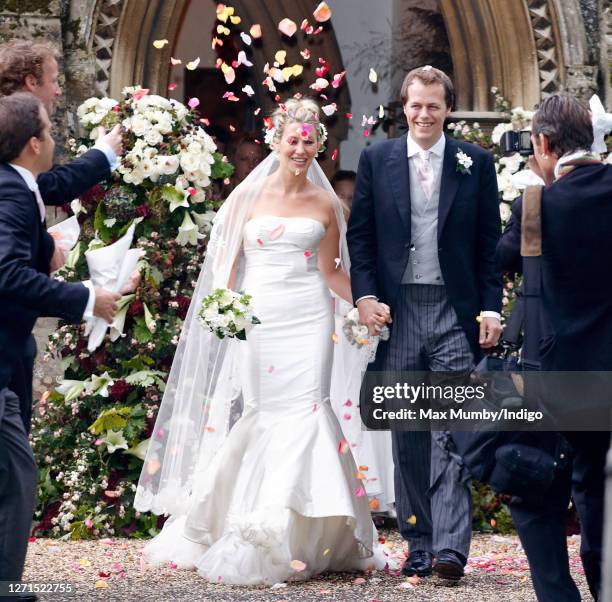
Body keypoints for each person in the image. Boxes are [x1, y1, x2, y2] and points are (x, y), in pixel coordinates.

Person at [134, 98, 392, 585]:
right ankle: (252, 521)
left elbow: (332, 271)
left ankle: (300, 530)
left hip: (311, 316)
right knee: (262, 412)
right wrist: (224, 310)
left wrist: (362, 302)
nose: (300, 148)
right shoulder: (247, 199)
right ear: (276, 141)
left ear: (320, 145)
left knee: (311, 410)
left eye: (308, 140)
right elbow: (227, 270)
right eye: (292, 139)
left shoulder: (326, 204)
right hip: (260, 318)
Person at [347, 65, 502, 581]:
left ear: (447, 109)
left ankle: (451, 547)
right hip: (400, 309)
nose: (423, 114)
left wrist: (490, 308)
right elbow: (362, 238)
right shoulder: (377, 159)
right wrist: (366, 297)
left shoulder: (474, 162)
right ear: (404, 107)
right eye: (415, 105)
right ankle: (418, 539)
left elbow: (487, 245)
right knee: (408, 428)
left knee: (451, 428)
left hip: (454, 311)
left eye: (433, 105)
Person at [0, 92, 121, 594]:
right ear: (32, 144)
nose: (53, 139)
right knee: (16, 475)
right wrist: (85, 297)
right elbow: (5, 272)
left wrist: (46, 248)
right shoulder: (10, 190)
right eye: (49, 132)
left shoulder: (15, 184)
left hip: (9, 354)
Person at [496, 93, 612, 602]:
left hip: (553, 379)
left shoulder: (536, 205)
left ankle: (558, 595)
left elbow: (501, 261)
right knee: (597, 490)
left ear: (543, 144)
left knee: (534, 492)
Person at [0, 39, 123, 433]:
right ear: (30, 81)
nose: (58, 91)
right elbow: (44, 187)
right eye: (53, 81)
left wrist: (44, 247)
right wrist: (102, 154)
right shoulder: (13, 158)